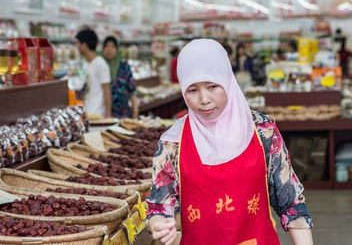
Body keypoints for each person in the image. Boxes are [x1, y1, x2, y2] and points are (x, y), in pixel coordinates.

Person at [146, 39, 313, 245]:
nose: (204, 99)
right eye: (193, 90)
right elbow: (158, 206)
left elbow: (292, 203)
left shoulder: (262, 131)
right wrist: (158, 223)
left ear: (227, 80)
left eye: (212, 86)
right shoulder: (172, 143)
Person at [75, 29, 111, 118]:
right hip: (87, 112)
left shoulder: (100, 64)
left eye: (78, 43)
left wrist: (107, 116)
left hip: (97, 115)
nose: (77, 46)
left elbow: (107, 91)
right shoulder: (86, 64)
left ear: (84, 45)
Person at [102, 36, 139, 119]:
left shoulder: (124, 66)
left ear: (117, 49)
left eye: (112, 46)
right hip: (103, 116)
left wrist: (135, 112)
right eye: (106, 46)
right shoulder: (101, 65)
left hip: (123, 115)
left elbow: (132, 91)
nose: (109, 49)